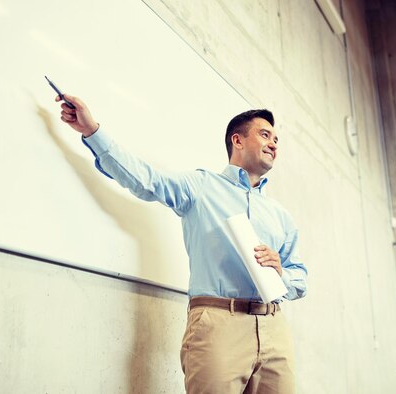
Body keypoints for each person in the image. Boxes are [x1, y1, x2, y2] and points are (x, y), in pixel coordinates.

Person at [55, 93, 308, 394]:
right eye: (265, 134)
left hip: (274, 328)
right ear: (237, 141)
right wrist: (92, 131)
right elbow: (146, 180)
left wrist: (282, 274)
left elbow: (300, 276)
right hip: (219, 323)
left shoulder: (281, 216)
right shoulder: (201, 186)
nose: (273, 143)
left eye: (276, 139)